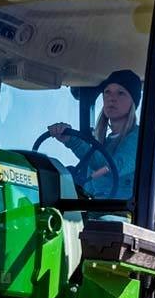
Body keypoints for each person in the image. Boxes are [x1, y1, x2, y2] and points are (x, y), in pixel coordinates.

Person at [47, 69, 142, 200]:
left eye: (121, 93)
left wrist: (72, 140)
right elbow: (90, 187)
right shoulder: (104, 144)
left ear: (133, 102)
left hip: (121, 214)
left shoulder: (138, 139)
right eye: (107, 92)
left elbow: (111, 168)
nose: (112, 98)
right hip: (98, 214)